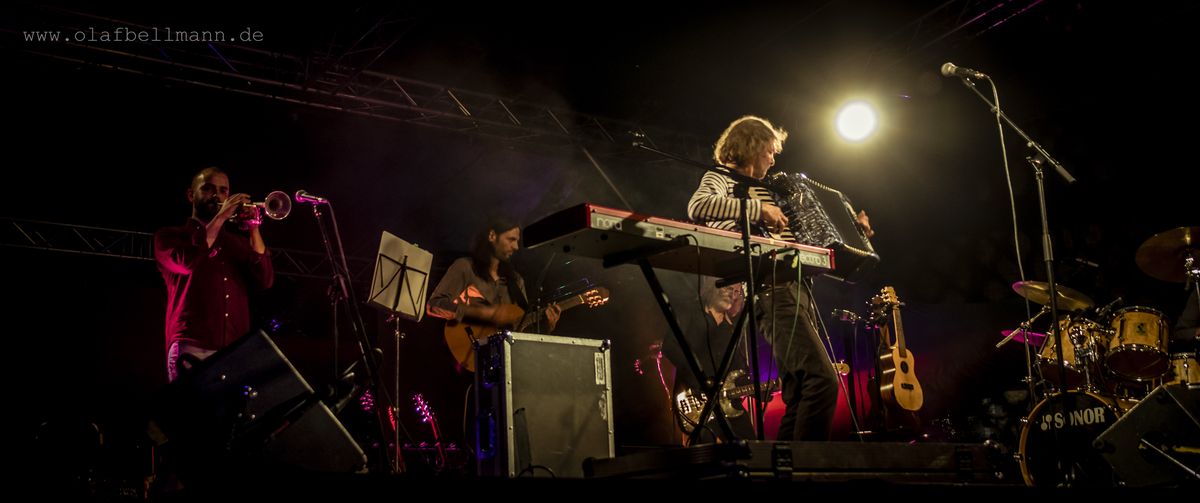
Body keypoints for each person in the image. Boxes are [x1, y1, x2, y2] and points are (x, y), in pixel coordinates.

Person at [686, 115, 873, 441]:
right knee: (822, 381)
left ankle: (786, 464)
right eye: (770, 151)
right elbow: (698, 206)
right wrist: (758, 210)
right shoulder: (720, 178)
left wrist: (853, 232)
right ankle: (805, 464)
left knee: (800, 389)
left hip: (798, 289)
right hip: (770, 291)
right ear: (752, 146)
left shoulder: (773, 188)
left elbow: (811, 237)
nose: (773, 160)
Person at [154, 167, 274, 382]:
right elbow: (188, 262)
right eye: (208, 189)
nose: (216, 196)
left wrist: (254, 228)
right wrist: (221, 217)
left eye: (223, 191)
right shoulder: (170, 236)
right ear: (191, 195)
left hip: (236, 349)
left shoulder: (235, 243)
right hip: (192, 344)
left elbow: (264, 279)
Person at [427, 216, 562, 370]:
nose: (516, 247)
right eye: (511, 239)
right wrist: (483, 314)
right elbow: (434, 305)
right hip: (464, 361)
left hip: (504, 365)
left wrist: (546, 325)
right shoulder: (465, 267)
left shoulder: (516, 280)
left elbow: (521, 329)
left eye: (517, 241)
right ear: (492, 236)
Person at [660, 278, 756, 442]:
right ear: (713, 286)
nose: (732, 294)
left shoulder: (730, 328)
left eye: (736, 291)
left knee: (750, 446)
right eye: (728, 288)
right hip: (695, 398)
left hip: (727, 403)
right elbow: (670, 345)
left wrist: (756, 389)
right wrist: (698, 378)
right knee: (707, 448)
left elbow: (739, 368)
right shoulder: (691, 313)